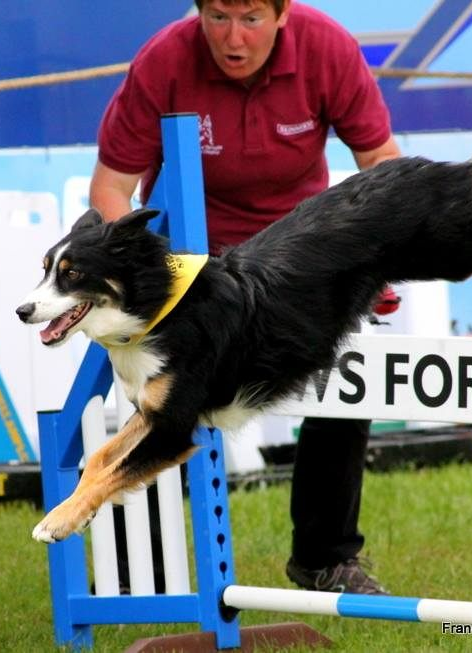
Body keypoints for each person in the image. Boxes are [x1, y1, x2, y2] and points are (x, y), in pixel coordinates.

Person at [90, 0, 401, 595]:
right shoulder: (162, 61)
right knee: (158, 405)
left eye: (252, 18)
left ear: (283, 15)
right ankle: (147, 579)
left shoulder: (328, 48)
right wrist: (140, 290)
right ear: (199, 12)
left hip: (300, 261)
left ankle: (324, 559)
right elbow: (111, 189)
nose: (234, 38)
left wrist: (378, 262)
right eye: (219, 17)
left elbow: (381, 165)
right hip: (190, 267)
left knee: (349, 381)